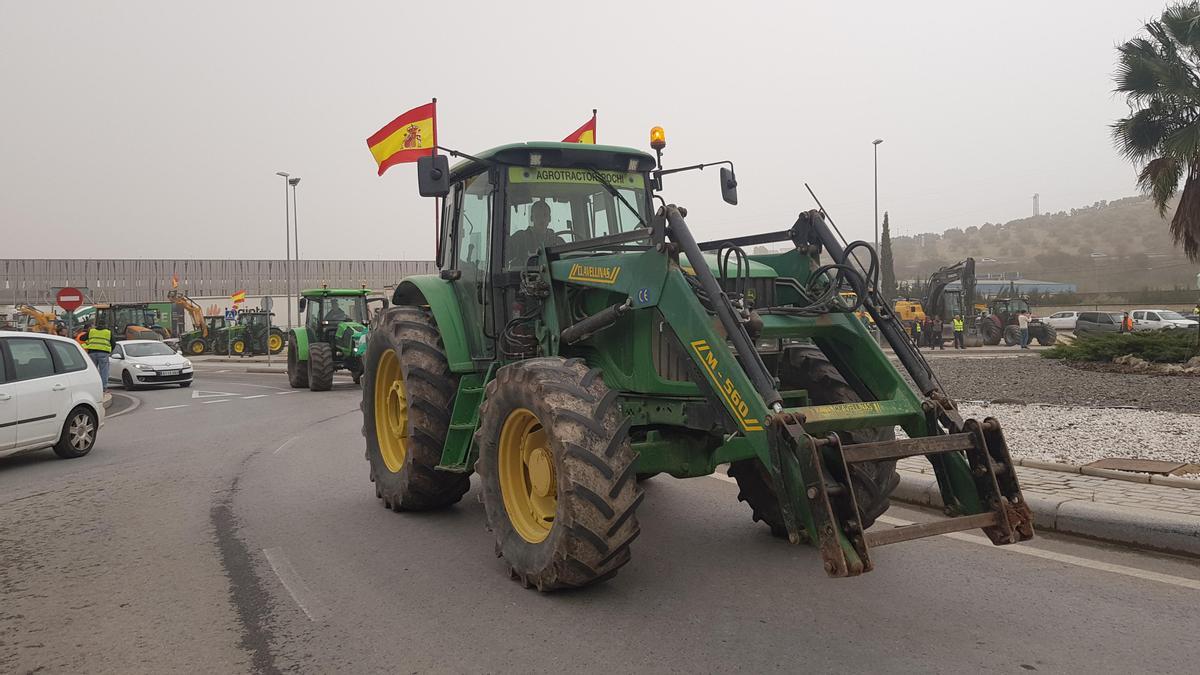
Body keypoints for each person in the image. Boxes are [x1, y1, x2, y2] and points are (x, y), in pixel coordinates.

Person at [507, 200, 565, 266]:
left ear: (550, 218)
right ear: (532, 218)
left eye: (545, 215)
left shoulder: (558, 241)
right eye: (538, 216)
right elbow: (503, 257)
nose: (542, 219)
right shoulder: (520, 238)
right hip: (524, 275)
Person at [83, 320, 113, 391]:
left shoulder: (92, 331)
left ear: (96, 325)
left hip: (92, 353)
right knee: (104, 371)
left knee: (93, 371)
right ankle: (103, 387)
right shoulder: (108, 332)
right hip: (103, 353)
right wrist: (109, 350)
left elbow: (82, 338)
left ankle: (92, 387)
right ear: (105, 325)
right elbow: (113, 343)